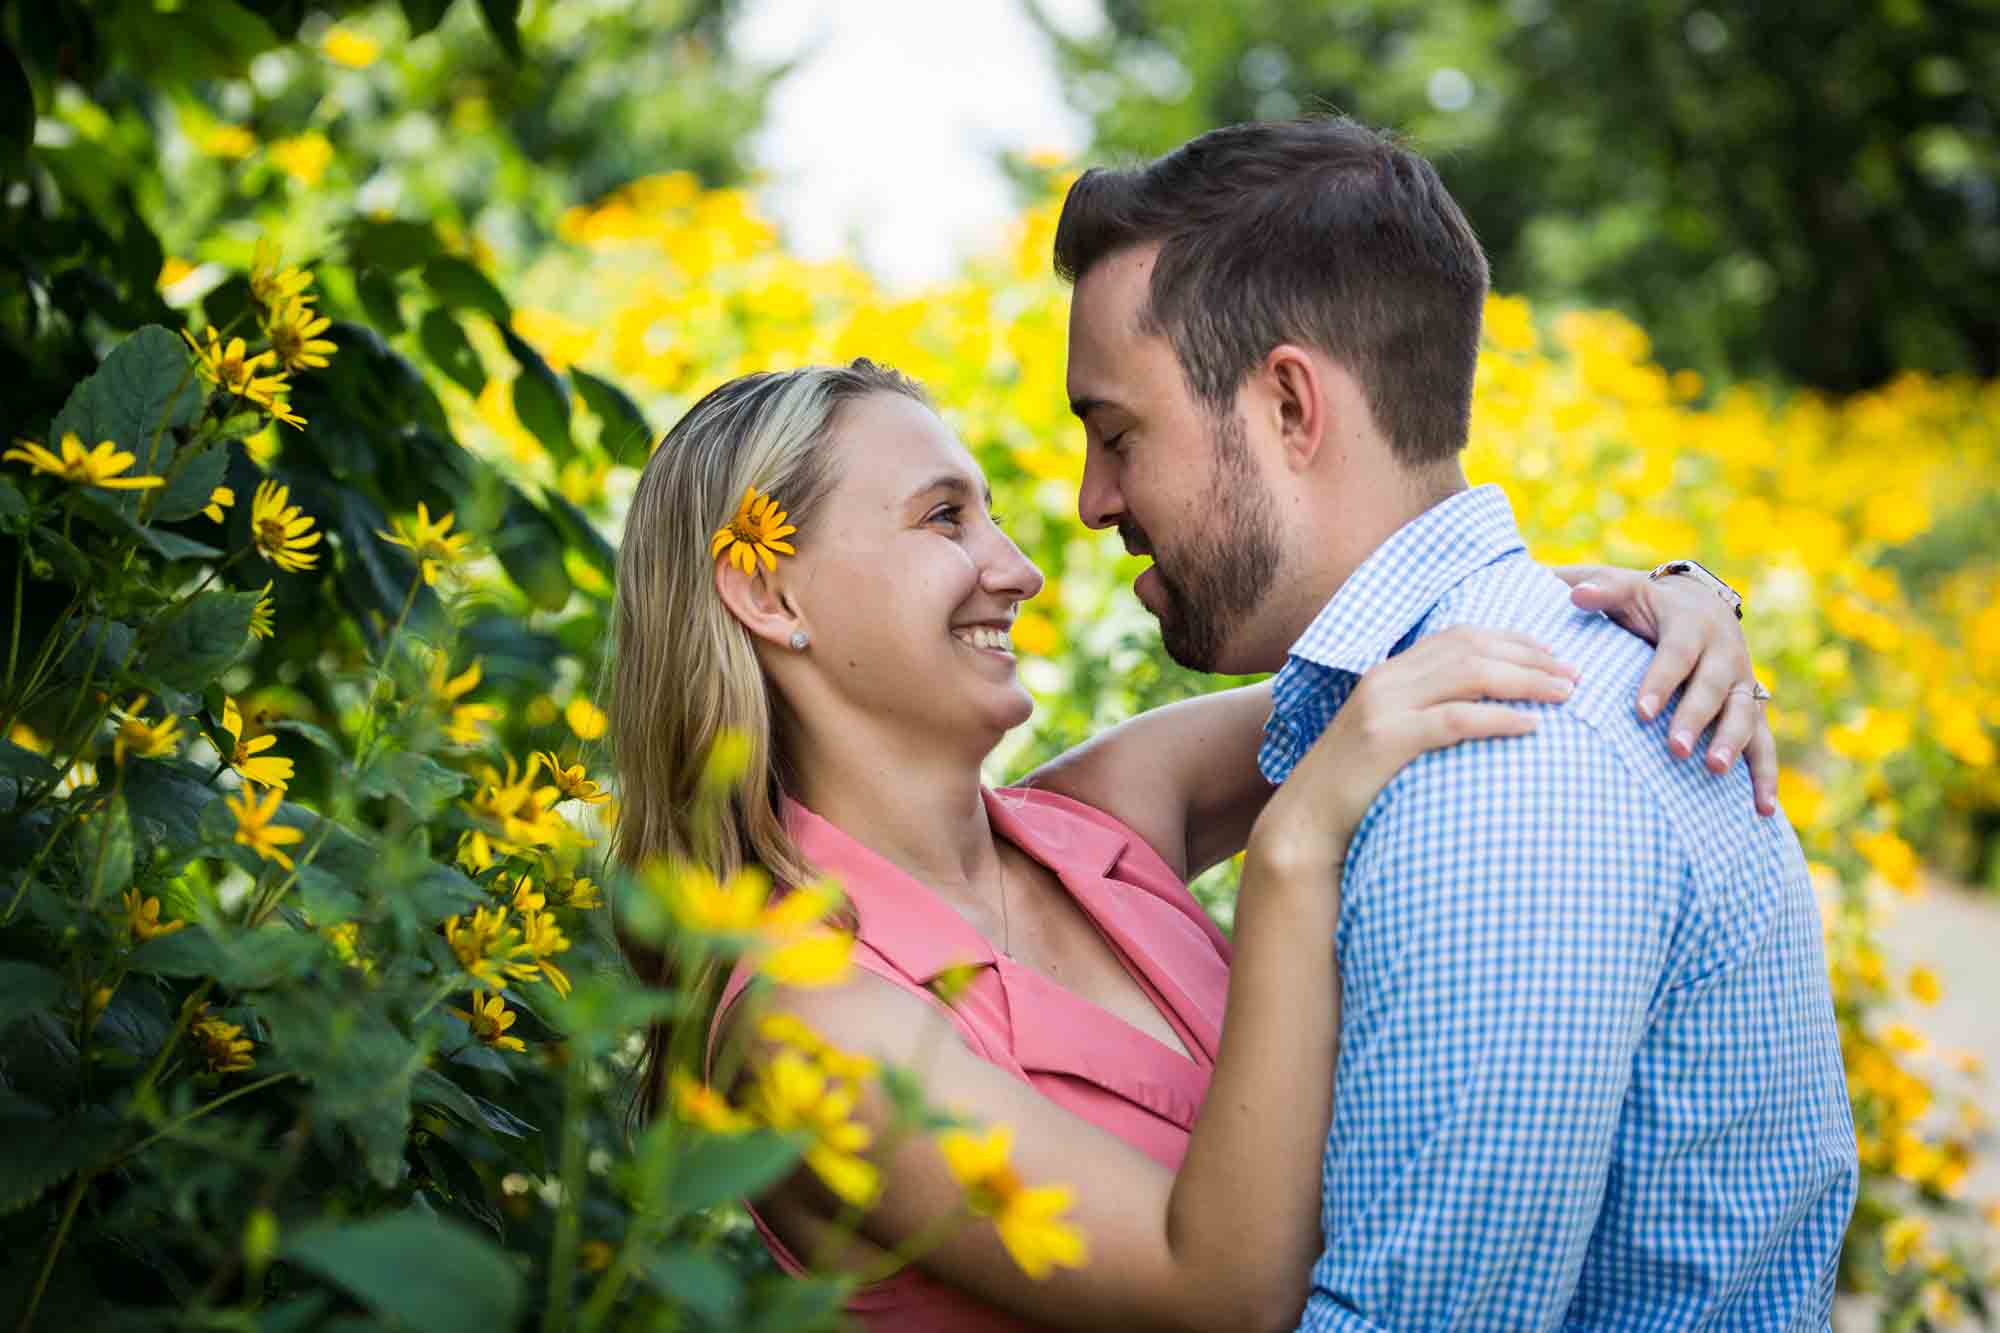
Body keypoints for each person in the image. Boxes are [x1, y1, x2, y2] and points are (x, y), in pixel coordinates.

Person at [608, 359, 1773, 1331]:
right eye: (943, 517)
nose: (1014, 569)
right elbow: (1217, 1294)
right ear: (765, 593)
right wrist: (1291, 857)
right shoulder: (806, 1022)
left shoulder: (1100, 815)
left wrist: (1674, 598)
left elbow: (1451, 663)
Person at [1053, 115, 1858, 1328]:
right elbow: (1045, 833)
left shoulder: (1496, 782)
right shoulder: (1457, 695)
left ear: (1286, 405)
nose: (1088, 502)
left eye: (1117, 435)